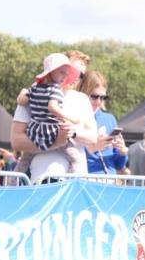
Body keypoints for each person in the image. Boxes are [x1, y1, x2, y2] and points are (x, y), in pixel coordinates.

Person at [10, 51, 97, 183]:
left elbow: (92, 137)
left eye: (81, 74)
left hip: (75, 183)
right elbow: (16, 141)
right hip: (43, 180)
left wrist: (73, 132)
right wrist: (56, 142)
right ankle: (9, 187)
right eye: (70, 70)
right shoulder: (34, 91)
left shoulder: (82, 99)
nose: (75, 76)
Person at [80, 70, 128, 175]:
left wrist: (122, 152)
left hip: (109, 182)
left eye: (103, 97)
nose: (98, 102)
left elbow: (119, 165)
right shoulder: (74, 117)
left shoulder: (110, 119)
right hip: (85, 181)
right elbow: (68, 155)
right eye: (94, 96)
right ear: (84, 94)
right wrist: (92, 149)